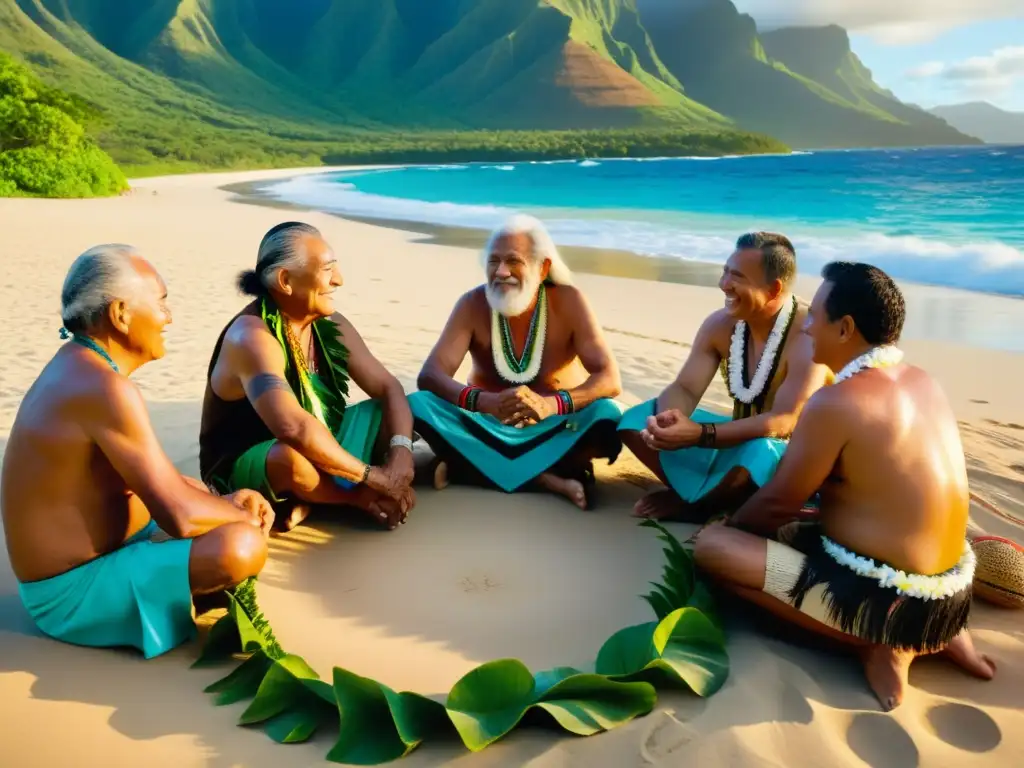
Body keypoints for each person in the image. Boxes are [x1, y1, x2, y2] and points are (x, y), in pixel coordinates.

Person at [693, 262, 996, 711]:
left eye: (815, 316)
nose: (808, 327)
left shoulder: (835, 402)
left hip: (887, 603)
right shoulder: (922, 380)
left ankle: (877, 642)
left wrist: (731, 527)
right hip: (951, 596)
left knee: (713, 549)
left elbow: (778, 503)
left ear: (846, 328)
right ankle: (943, 632)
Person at [1, 245, 274, 659]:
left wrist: (224, 501)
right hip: (70, 593)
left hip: (108, 550)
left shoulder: (83, 365)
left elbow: (154, 479)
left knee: (204, 497)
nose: (168, 317)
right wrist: (242, 516)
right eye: (161, 303)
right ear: (121, 314)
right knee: (241, 547)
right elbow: (180, 516)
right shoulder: (104, 388)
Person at [199, 221, 416, 532]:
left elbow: (388, 387)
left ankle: (314, 500)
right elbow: (292, 427)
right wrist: (374, 479)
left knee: (405, 410)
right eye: (327, 270)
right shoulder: (252, 337)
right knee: (290, 459)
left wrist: (401, 456)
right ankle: (354, 499)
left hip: (316, 441)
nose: (338, 280)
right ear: (285, 281)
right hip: (255, 462)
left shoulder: (329, 323)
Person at [410, 214, 624, 509]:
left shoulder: (570, 301)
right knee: (418, 405)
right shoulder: (472, 304)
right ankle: (545, 478)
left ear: (543, 267)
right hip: (486, 425)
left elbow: (609, 379)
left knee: (607, 415)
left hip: (553, 427)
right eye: (493, 261)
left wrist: (552, 405)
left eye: (513, 261)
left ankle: (469, 468)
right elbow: (431, 375)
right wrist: (484, 402)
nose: (500, 272)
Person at [619, 232, 830, 522]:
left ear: (773, 289)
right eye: (725, 272)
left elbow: (784, 421)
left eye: (738, 277)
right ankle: (707, 496)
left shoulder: (808, 337)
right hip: (735, 442)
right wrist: (668, 421)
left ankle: (699, 507)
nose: (724, 285)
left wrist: (699, 434)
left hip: (789, 460)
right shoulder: (720, 325)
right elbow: (686, 388)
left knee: (760, 451)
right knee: (637, 418)